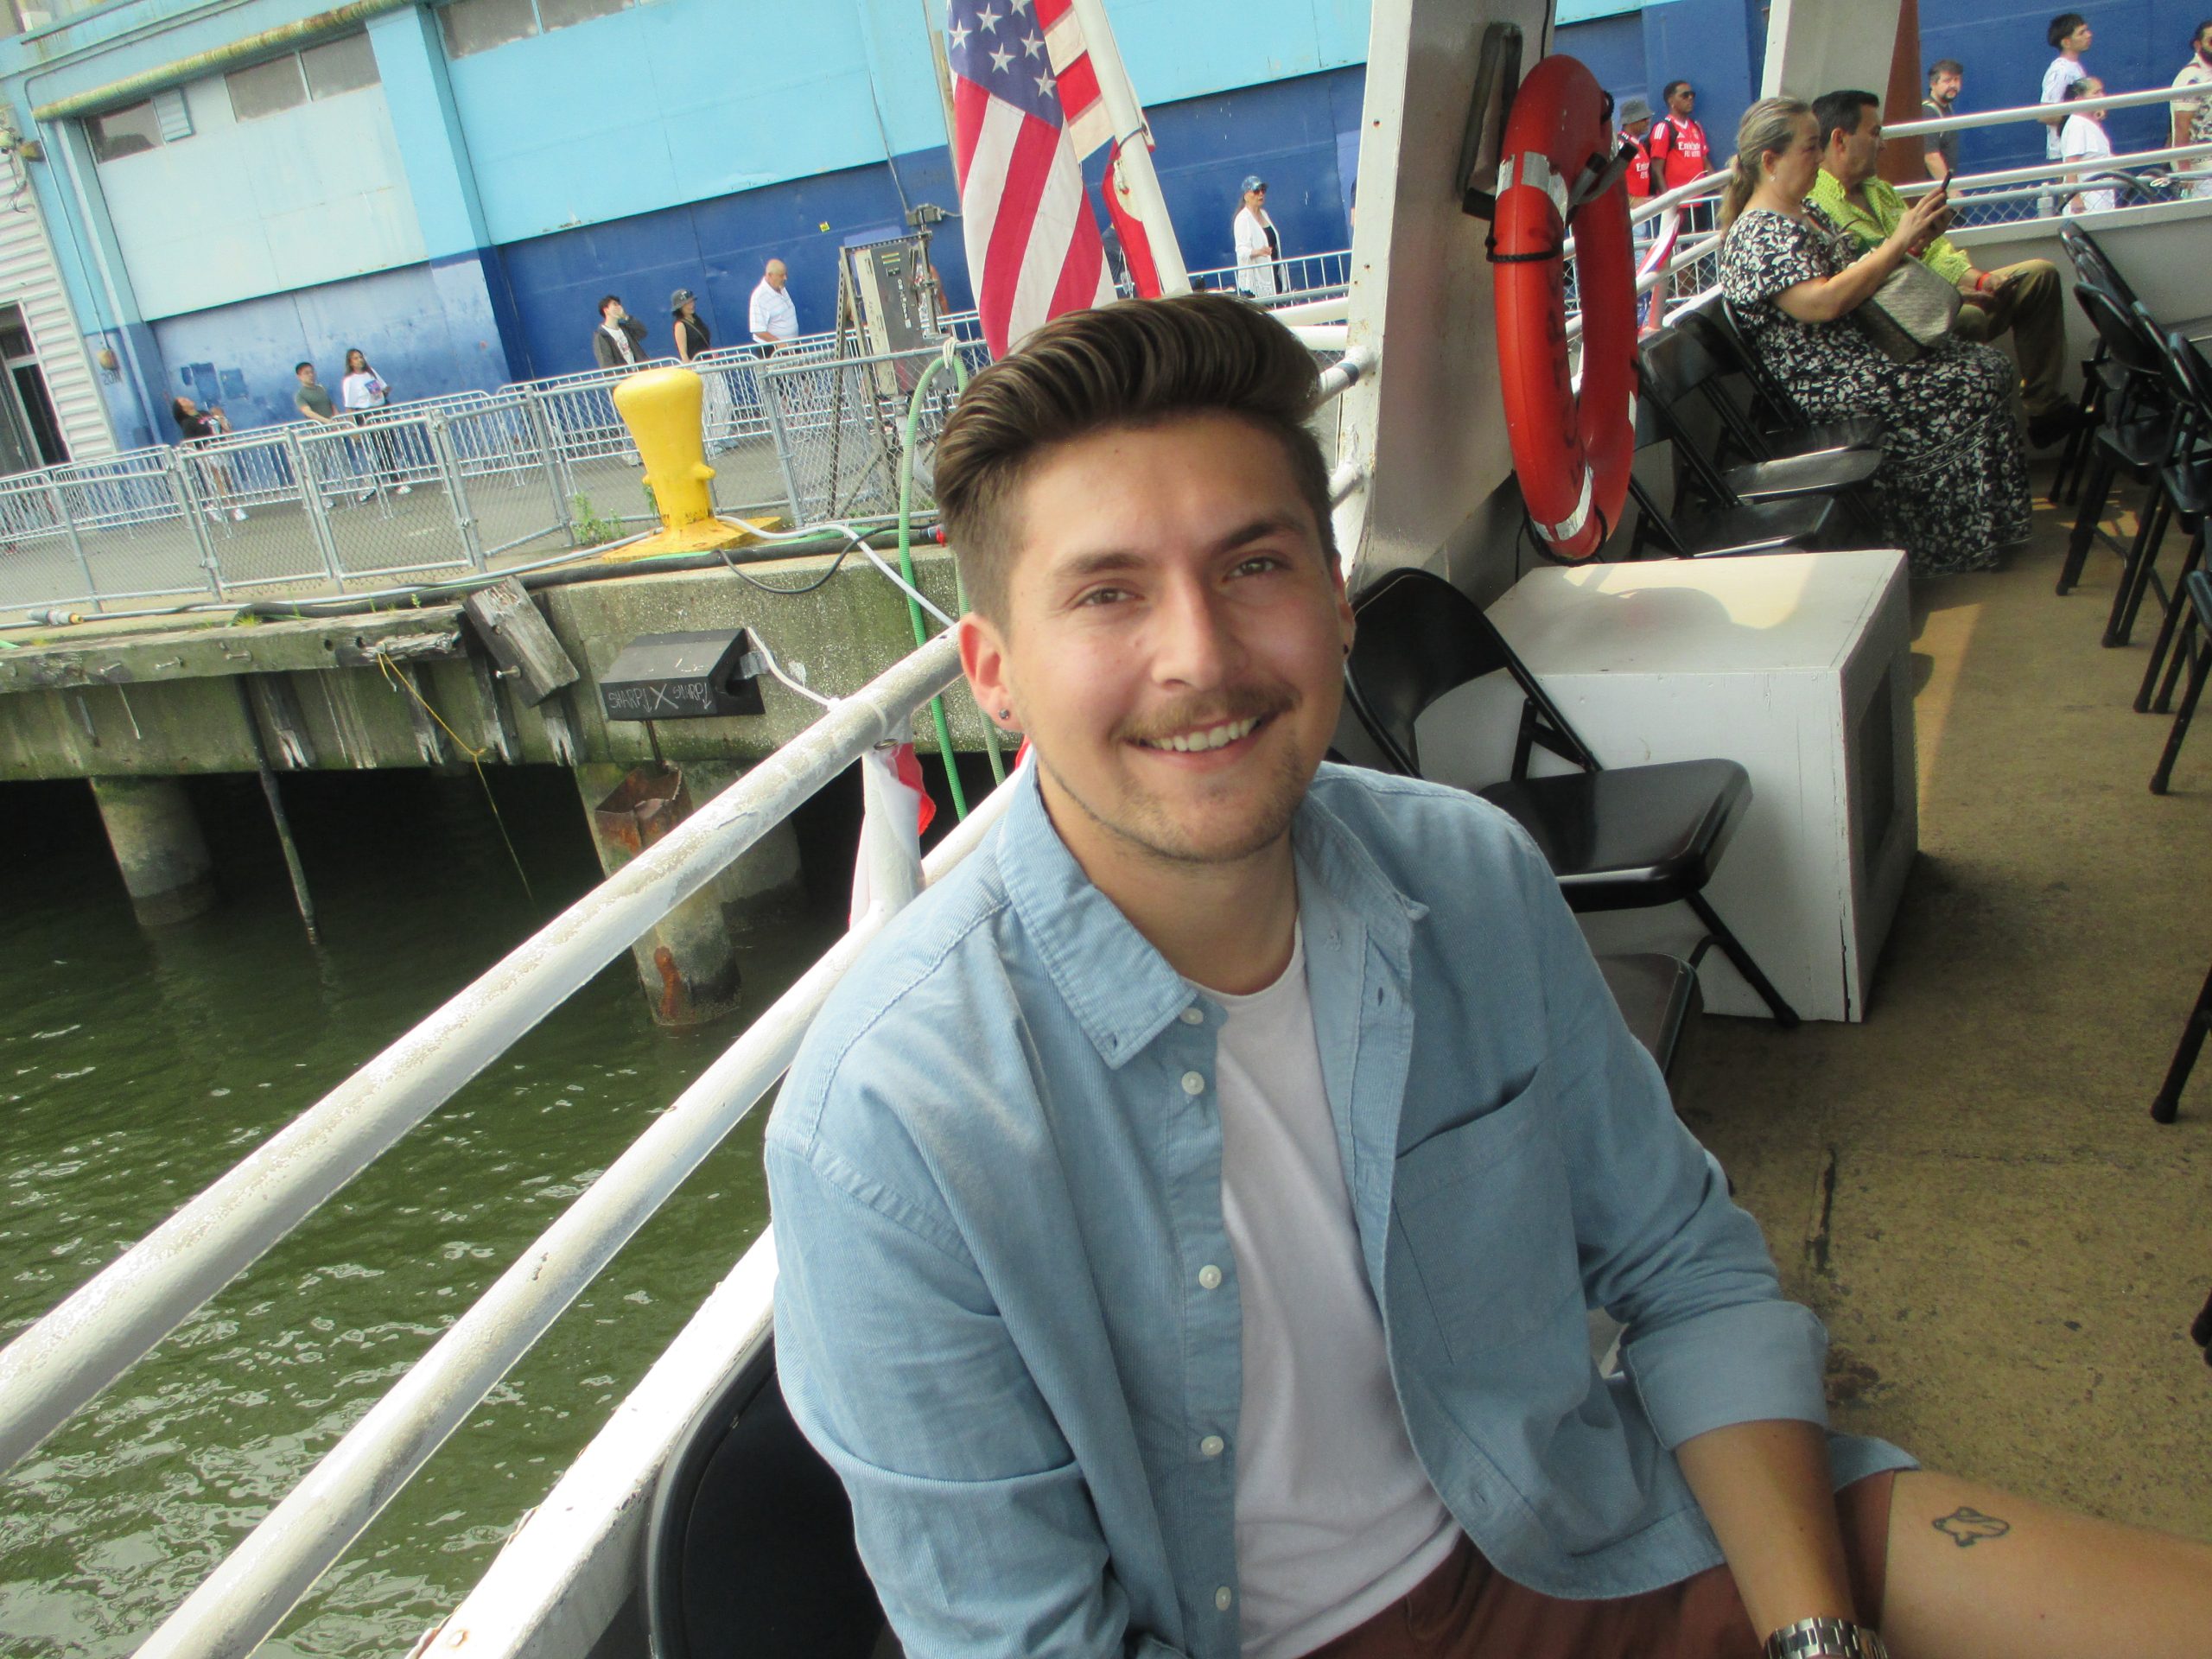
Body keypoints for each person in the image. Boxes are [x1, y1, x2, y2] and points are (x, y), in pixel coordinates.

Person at [766, 291, 2212, 1659]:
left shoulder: (1462, 877)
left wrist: (1811, 1637)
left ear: (1336, 600)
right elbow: (1023, 1635)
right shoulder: (893, 1126)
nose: (1199, 657)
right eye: (1107, 594)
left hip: (1585, 1525)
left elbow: (1682, 1264)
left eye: (1254, 565)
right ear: (994, 671)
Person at [1718, 98, 2030, 578]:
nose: (1820, 157)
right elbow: (1822, 303)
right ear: (1771, 160)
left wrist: (1915, 241)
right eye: (1810, 148)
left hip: (1861, 358)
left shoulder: (1806, 212)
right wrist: (1897, 242)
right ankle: (1941, 547)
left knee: (1986, 365)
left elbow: (1857, 277)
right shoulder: (1759, 234)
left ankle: (1985, 532)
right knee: (1972, 379)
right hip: (1827, 384)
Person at [1806, 89, 2078, 447]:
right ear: (1841, 139)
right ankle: (1974, 437)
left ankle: (2044, 409)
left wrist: (1980, 280)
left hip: (1935, 294)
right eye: (1875, 134)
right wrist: (1947, 287)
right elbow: (1865, 284)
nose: (1883, 144)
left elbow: (1930, 253)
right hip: (1895, 328)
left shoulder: (1879, 191)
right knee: (1970, 318)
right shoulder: (1816, 207)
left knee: (2039, 276)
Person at [340, 346, 410, 500]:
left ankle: (391, 479)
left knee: (388, 446)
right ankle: (376, 482)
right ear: (350, 362)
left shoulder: (371, 373)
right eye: (356, 358)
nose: (360, 360)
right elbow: (349, 406)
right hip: (366, 415)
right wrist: (353, 427)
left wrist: (382, 392)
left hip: (381, 411)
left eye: (361, 357)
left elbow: (384, 388)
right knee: (375, 450)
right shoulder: (350, 381)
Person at [2040, 14, 2092, 213]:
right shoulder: (2060, 71)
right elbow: (2046, 114)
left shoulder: (2075, 67)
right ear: (2066, 42)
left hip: (2078, 150)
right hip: (2065, 152)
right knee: (2073, 206)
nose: (2089, 35)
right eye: (2082, 32)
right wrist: (2080, 114)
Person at [169, 395, 246, 522]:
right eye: (183, 401)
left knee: (226, 480)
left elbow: (222, 428)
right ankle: (234, 508)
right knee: (219, 480)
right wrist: (198, 457)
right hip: (206, 453)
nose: (187, 399)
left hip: (219, 449)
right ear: (181, 408)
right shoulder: (188, 422)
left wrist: (220, 416)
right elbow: (190, 442)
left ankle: (213, 506)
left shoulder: (204, 413)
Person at [2059, 77, 2119, 213]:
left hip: (2100, 199)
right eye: (2096, 93)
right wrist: (2075, 198)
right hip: (2087, 203)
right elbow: (2071, 165)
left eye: (2102, 92)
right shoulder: (2077, 125)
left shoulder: (2087, 124)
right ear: (2079, 100)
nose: (2102, 96)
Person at [2170, 20, 2212, 200]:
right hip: (2201, 165)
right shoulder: (2191, 77)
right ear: (2198, 45)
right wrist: (2185, 170)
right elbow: (2181, 125)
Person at [1232, 175, 1282, 302]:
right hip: (1257, 280)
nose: (1261, 194)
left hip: (1273, 274)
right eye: (1256, 191)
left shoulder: (1264, 214)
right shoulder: (1243, 219)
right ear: (1246, 196)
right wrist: (1258, 251)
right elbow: (1241, 251)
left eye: (1263, 190)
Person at [1920, 60, 1963, 181]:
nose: (1953, 85)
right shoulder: (1928, 112)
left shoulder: (1946, 107)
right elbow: (1931, 157)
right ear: (1933, 84)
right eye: (1947, 81)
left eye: (1956, 80)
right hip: (1933, 189)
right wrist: (1950, 188)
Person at [749, 260, 798, 355]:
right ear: (770, 275)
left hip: (790, 347)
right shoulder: (759, 296)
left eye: (785, 274)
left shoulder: (781, 288)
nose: (785, 278)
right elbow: (758, 330)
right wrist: (779, 343)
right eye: (781, 275)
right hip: (773, 351)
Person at [592, 295, 647, 371]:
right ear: (606, 310)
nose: (619, 307)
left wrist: (626, 317)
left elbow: (642, 332)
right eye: (615, 304)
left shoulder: (625, 329)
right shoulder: (601, 336)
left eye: (619, 304)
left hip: (640, 372)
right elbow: (606, 363)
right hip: (624, 376)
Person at [671, 288, 711, 362]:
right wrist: (690, 367)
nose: (691, 305)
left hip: (709, 362)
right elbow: (683, 353)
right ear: (680, 308)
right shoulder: (680, 325)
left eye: (692, 301)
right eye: (687, 304)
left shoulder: (696, 320)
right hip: (697, 364)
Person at [292, 361, 337, 425]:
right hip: (318, 427)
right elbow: (308, 412)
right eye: (307, 373)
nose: (311, 375)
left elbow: (332, 405)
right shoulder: (300, 395)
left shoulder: (321, 389)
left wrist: (338, 419)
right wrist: (326, 421)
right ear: (299, 376)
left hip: (334, 425)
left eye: (312, 372)